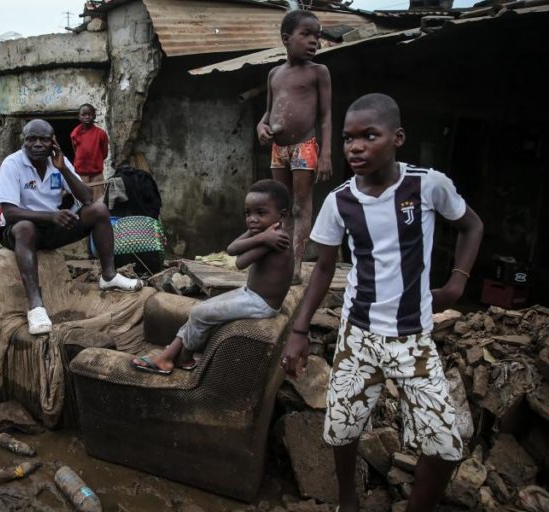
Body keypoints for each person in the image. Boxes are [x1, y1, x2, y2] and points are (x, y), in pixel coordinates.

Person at [279, 93, 484, 512]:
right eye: (349, 138)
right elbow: (322, 269)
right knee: (341, 430)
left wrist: (457, 285)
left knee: (445, 446)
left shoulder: (427, 185)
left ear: (397, 138)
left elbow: (471, 225)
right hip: (358, 336)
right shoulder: (339, 202)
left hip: (413, 339)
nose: (355, 147)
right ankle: (349, 502)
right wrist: (299, 330)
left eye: (369, 136)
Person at [130, 179, 294, 375]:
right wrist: (256, 234)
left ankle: (177, 357)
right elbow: (232, 249)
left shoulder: (276, 240)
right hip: (250, 294)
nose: (252, 219)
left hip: (261, 304)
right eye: (248, 213)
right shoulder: (266, 235)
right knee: (200, 309)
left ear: (282, 215)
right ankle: (175, 357)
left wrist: (261, 237)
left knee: (201, 314)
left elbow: (240, 262)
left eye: (261, 213)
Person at [0, 119, 142, 336]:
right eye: (31, 139)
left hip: (51, 228)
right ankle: (36, 306)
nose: (37, 144)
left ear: (53, 142)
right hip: (19, 231)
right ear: (23, 142)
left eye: (43, 139)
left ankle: (109, 276)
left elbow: (86, 198)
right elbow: (10, 212)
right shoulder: (12, 163)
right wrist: (51, 215)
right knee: (26, 227)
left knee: (99, 211)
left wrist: (63, 169)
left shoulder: (58, 162)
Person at [257, 9, 333, 285]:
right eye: (307, 34)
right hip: (279, 149)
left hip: (305, 145)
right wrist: (260, 128)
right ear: (286, 39)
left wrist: (326, 154)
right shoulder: (274, 74)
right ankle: (282, 259)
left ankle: (297, 264)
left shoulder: (318, 72)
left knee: (302, 205)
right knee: (283, 206)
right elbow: (267, 114)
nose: (314, 41)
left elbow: (325, 117)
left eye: (317, 36)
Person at [70, 103, 109, 202]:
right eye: (84, 114)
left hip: (96, 175)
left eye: (90, 114)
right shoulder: (75, 134)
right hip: (80, 175)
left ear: (94, 116)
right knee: (82, 203)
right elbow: (76, 151)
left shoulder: (101, 134)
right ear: (79, 117)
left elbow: (104, 153)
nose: (87, 117)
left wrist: (95, 161)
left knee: (98, 202)